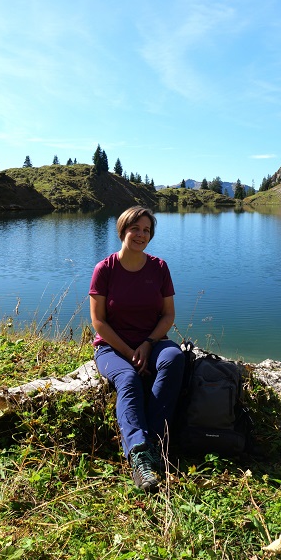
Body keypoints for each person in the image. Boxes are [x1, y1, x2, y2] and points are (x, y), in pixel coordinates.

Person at [89, 206, 185, 492]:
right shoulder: (105, 269)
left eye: (146, 230)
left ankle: (153, 441)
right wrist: (130, 352)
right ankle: (140, 455)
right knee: (128, 379)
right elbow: (99, 322)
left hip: (152, 342)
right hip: (111, 347)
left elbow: (168, 315)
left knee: (174, 358)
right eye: (135, 228)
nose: (141, 235)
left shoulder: (159, 267)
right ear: (122, 230)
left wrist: (148, 343)